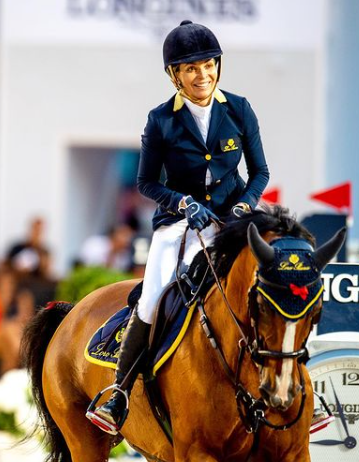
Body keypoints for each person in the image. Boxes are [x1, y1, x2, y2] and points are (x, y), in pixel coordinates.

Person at [87, 20, 269, 434]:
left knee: (273, 283)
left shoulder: (239, 109)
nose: (202, 75)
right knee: (151, 299)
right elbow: (146, 183)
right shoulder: (160, 121)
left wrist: (244, 205)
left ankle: (302, 392)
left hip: (233, 221)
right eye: (191, 69)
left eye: (208, 66)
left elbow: (260, 171)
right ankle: (118, 393)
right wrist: (183, 203)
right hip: (179, 225)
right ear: (175, 75)